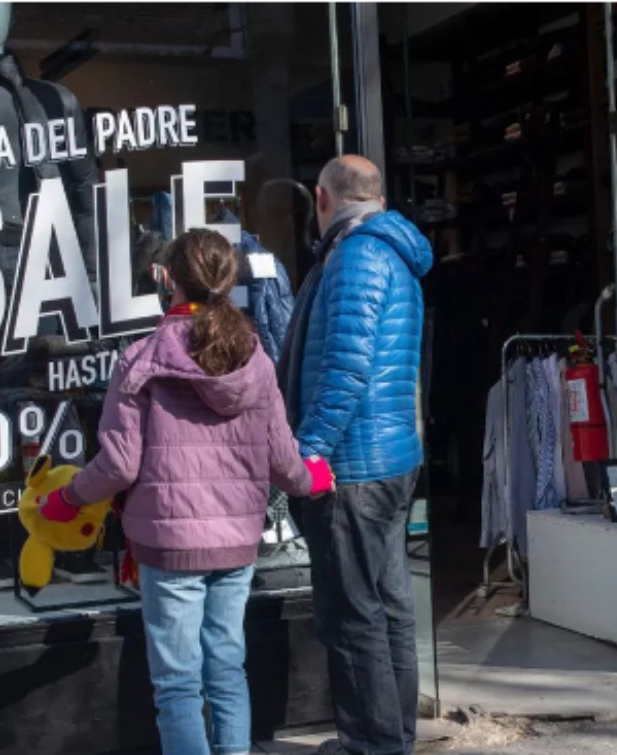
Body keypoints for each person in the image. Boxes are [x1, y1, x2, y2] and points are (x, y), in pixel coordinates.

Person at [38, 228, 334, 755]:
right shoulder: (256, 359)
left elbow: (119, 465)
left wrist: (65, 500)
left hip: (170, 544)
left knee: (177, 683)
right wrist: (314, 477)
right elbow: (284, 461)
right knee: (226, 668)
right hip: (237, 541)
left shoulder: (141, 360)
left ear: (166, 279)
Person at [284, 155, 432, 755]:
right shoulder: (389, 252)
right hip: (390, 457)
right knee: (388, 608)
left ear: (322, 198)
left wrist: (305, 454)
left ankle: (372, 744)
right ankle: (392, 737)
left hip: (354, 467)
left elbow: (345, 368)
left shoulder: (356, 257)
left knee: (354, 617)